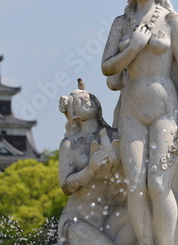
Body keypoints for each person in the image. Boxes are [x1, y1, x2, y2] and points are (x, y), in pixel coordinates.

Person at [101, 0, 178, 245]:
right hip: (132, 110)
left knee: (158, 184)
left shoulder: (171, 21)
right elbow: (107, 67)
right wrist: (133, 48)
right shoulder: (121, 23)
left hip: (165, 110)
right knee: (135, 186)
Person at [57, 89, 135, 245]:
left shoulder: (117, 136)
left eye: (91, 97)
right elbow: (66, 187)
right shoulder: (70, 144)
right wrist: (90, 170)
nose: (88, 100)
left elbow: (134, 173)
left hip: (115, 214)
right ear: (74, 113)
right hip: (80, 221)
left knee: (145, 216)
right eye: (81, 100)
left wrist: (117, 168)